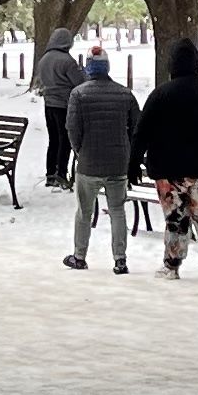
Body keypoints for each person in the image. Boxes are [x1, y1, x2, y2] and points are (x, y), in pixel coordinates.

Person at [137, 35, 198, 284]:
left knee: (176, 218)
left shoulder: (160, 94)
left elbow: (142, 131)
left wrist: (134, 161)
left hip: (169, 171)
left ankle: (172, 265)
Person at [60, 46, 141, 274]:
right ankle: (120, 259)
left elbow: (72, 129)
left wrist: (80, 151)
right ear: (107, 68)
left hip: (88, 164)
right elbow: (136, 127)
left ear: (88, 67)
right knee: (117, 210)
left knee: (84, 211)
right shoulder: (125, 94)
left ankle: (79, 256)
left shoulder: (78, 94)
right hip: (118, 163)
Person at [30, 26, 83, 189]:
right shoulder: (67, 61)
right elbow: (79, 82)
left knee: (53, 139)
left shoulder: (44, 59)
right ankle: (61, 174)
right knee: (65, 139)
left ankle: (50, 173)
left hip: (49, 104)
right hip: (64, 105)